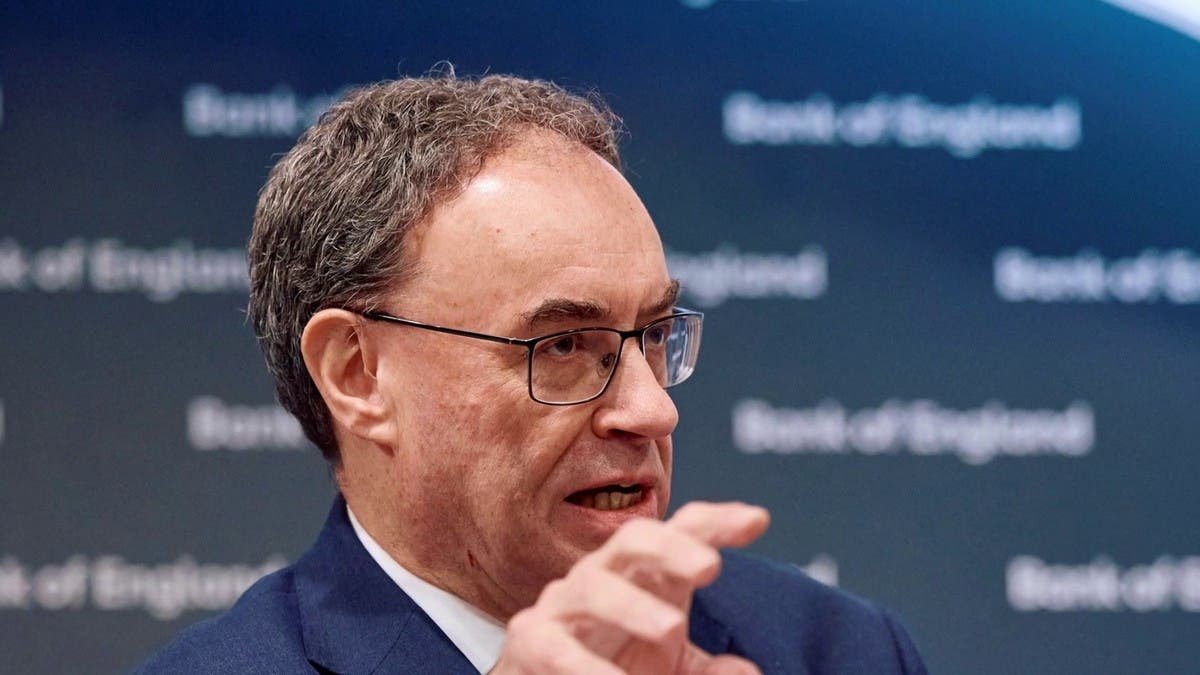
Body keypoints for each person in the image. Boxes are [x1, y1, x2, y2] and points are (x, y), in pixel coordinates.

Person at [137, 72, 927, 674]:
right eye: (563, 345)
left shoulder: (836, 650)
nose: (653, 410)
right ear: (358, 374)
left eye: (653, 334)